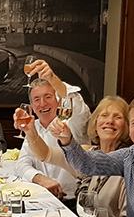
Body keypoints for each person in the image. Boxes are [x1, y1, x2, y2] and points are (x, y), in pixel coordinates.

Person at [22, 95, 131, 217]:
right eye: (104, 115)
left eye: (117, 117)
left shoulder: (128, 164)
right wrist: (30, 130)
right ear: (96, 122)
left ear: (127, 125)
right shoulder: (85, 155)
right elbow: (45, 154)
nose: (109, 121)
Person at [13, 60, 91, 204]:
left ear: (58, 101)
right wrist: (41, 179)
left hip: (75, 202)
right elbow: (22, 163)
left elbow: (78, 106)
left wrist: (53, 79)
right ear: (32, 106)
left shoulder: (72, 123)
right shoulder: (33, 125)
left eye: (48, 97)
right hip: (44, 200)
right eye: (37, 99)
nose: (42, 104)